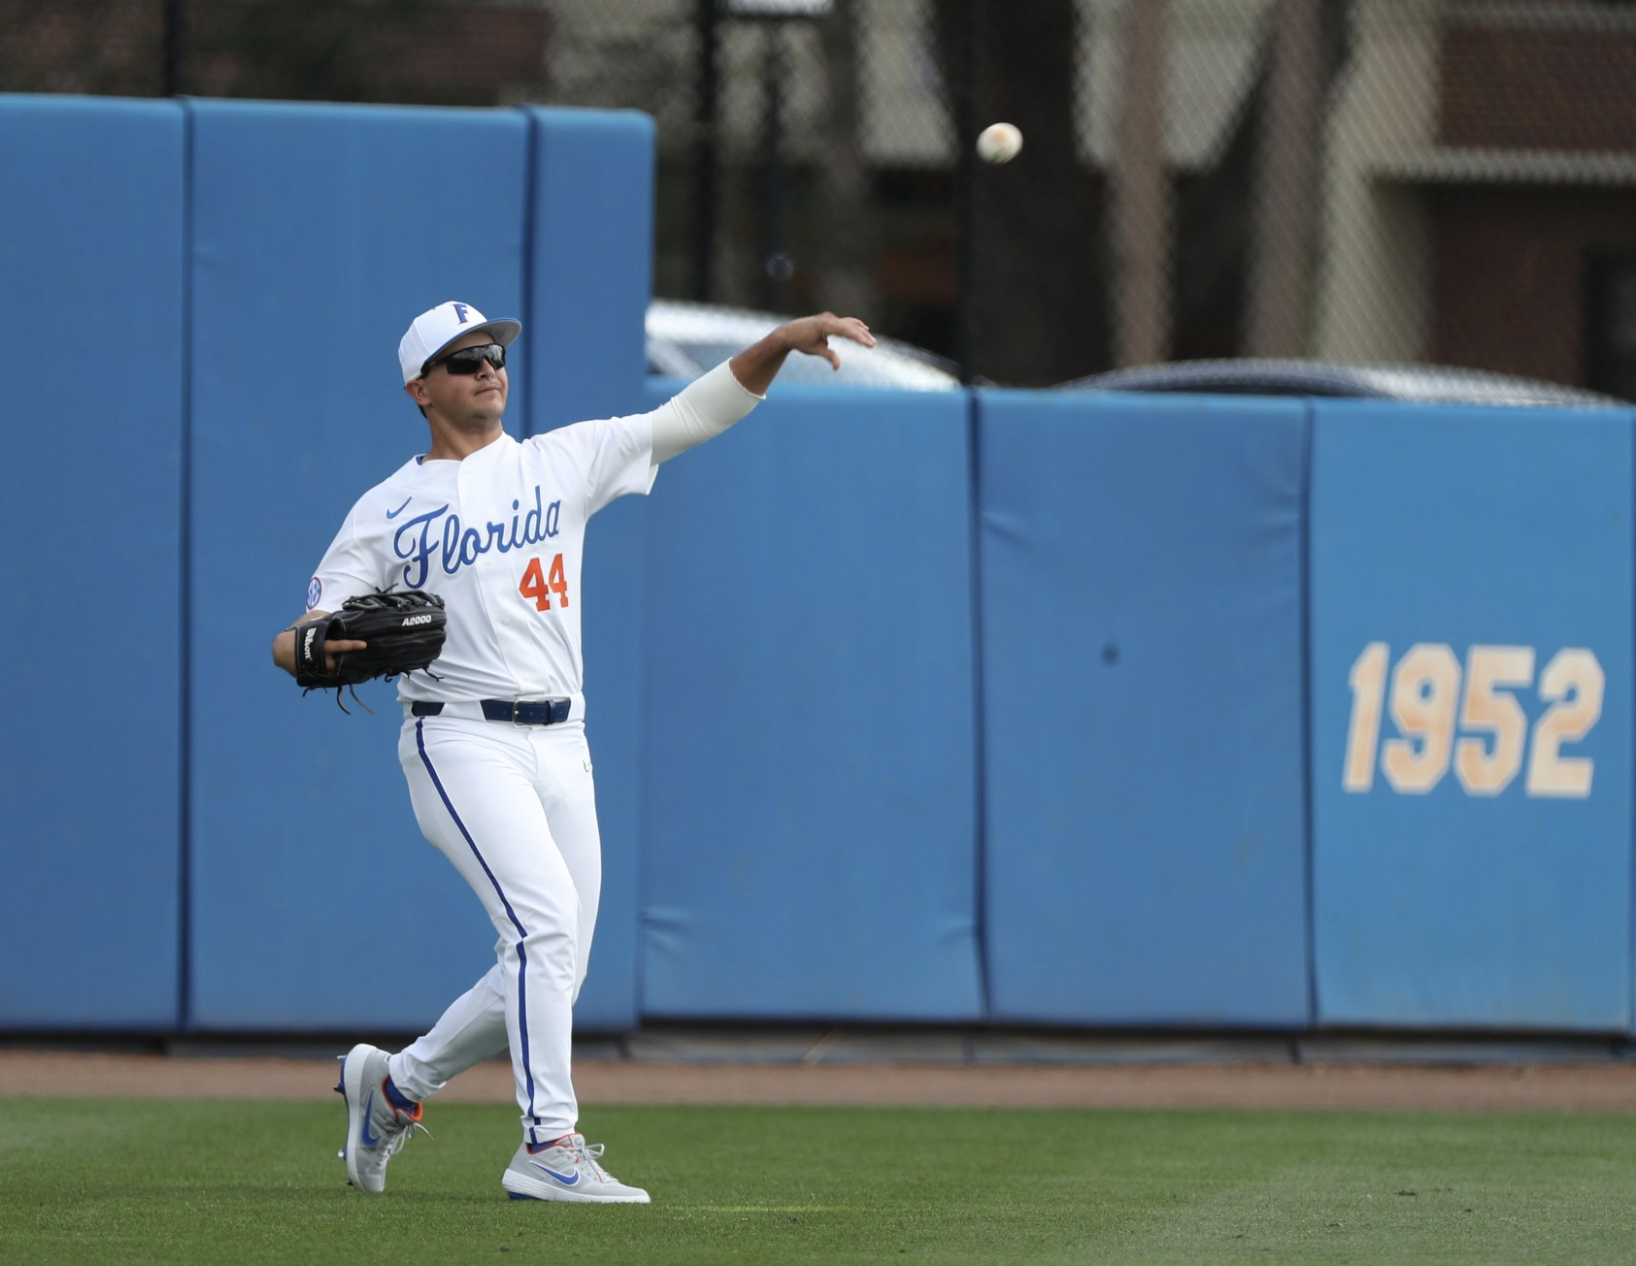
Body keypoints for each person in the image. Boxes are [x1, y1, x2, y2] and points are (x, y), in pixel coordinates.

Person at [271, 299, 875, 1203]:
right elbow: (298, 634)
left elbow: (690, 414)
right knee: (543, 930)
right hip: (459, 737)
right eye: (463, 358)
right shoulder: (386, 509)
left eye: (494, 354)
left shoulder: (561, 461)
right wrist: (313, 647)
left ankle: (395, 1086)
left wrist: (781, 343)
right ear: (420, 388)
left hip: (565, 740)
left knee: (551, 956)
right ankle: (548, 1144)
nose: (488, 369)